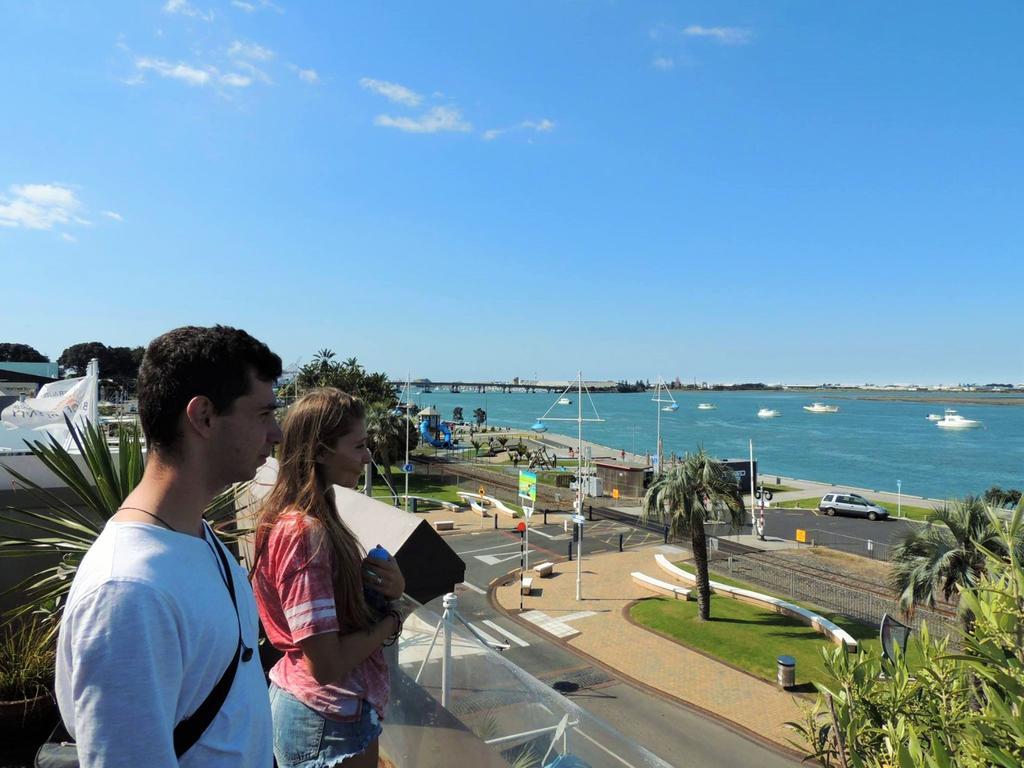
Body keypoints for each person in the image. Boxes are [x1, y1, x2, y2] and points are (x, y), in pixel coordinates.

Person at [55, 325, 283, 767]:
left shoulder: (196, 536)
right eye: (262, 415)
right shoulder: (129, 591)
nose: (275, 433)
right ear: (203, 417)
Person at [252, 389, 405, 768]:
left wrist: (389, 589)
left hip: (325, 716)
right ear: (320, 451)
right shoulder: (304, 533)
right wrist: (392, 618)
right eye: (359, 445)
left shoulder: (309, 521)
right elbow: (326, 664)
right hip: (325, 719)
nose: (368, 456)